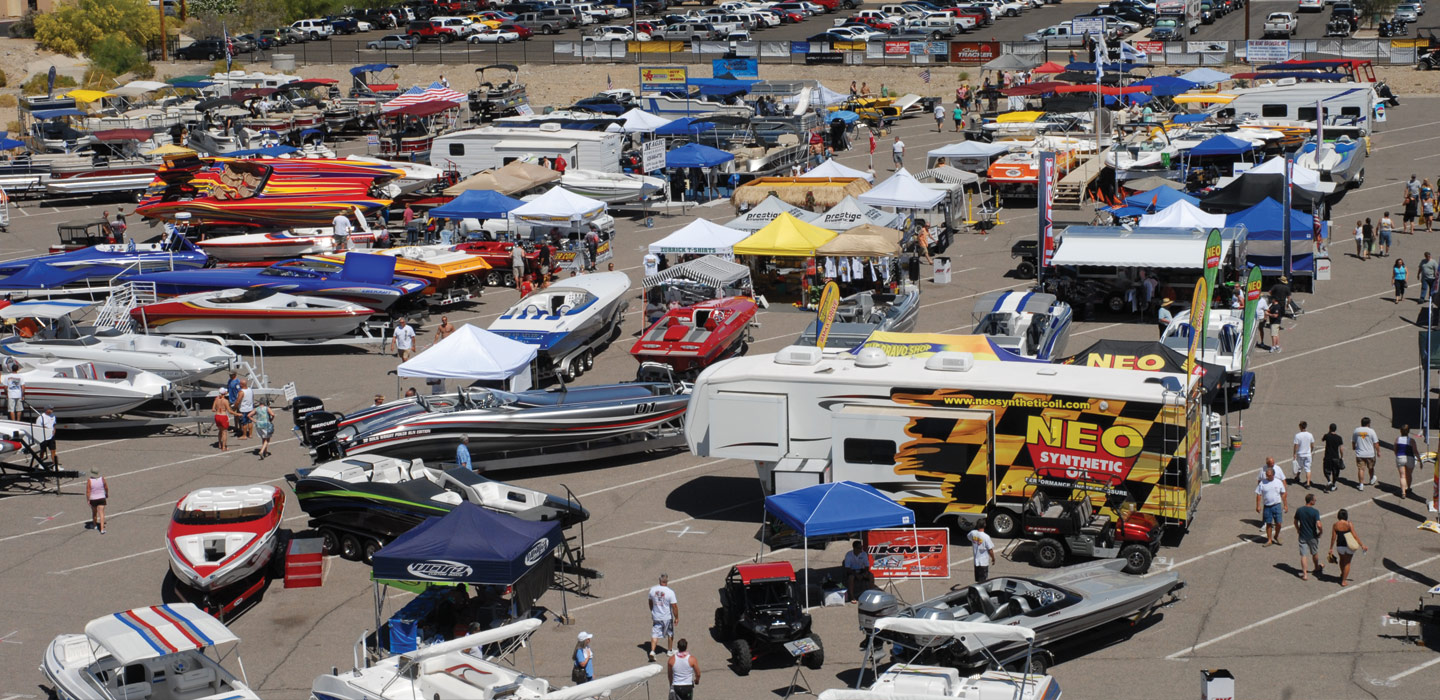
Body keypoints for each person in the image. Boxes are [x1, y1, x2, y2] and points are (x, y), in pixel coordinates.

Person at [1328, 508, 1368, 587]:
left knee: (1342, 560)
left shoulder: (1335, 525)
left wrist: (1331, 548)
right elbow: (1354, 535)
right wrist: (1362, 545)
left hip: (1340, 546)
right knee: (1347, 562)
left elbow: (1333, 537)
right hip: (1348, 546)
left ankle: (1343, 574)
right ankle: (1343, 581)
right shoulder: (1349, 524)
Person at [647, 573, 678, 661]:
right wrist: (676, 617)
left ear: (659, 580)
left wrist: (652, 610)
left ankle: (652, 651)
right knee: (670, 633)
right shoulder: (670, 592)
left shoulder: (652, 590)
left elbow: (650, 601)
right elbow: (674, 606)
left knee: (655, 633)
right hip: (667, 617)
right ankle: (669, 650)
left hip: (656, 616)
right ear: (667, 581)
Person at [1255, 463, 1288, 547]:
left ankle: (1276, 535)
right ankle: (1269, 540)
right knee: (1268, 523)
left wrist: (1285, 505)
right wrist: (1258, 505)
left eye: (1269, 475)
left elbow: (1283, 493)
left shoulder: (1278, 482)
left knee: (1279, 523)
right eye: (1266, 475)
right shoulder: (1262, 483)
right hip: (1267, 506)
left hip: (1277, 505)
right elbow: (1259, 494)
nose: (1267, 477)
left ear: (1273, 475)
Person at [1294, 493, 1323, 580]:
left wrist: (1298, 529)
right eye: (1314, 500)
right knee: (1314, 552)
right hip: (1312, 536)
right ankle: (1316, 567)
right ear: (1311, 501)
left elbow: (1295, 522)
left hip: (1302, 535)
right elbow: (1319, 524)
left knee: (1303, 555)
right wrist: (1321, 531)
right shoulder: (1315, 512)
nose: (1315, 501)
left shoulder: (1299, 510)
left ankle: (1305, 574)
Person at [1394, 424, 1422, 498]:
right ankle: (1408, 488)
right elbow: (1415, 451)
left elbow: (1395, 449)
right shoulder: (1411, 440)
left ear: (1401, 431)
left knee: (1402, 476)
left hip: (1400, 457)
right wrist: (1420, 460)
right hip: (1409, 458)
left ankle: (1403, 492)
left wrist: (1397, 456)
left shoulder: (1397, 439)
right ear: (1408, 431)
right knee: (1409, 474)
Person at [1353, 417, 1379, 490]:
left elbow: (1353, 441)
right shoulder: (1371, 431)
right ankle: (1371, 479)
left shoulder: (1356, 430)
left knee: (1361, 469)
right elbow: (1376, 443)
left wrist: (1353, 447)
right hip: (1370, 453)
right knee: (1371, 467)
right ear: (1368, 424)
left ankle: (1361, 484)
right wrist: (1378, 451)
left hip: (1360, 453)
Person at [969, 518, 995, 582]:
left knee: (978, 580)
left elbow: (969, 537)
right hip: (983, 562)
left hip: (976, 561)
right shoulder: (986, 537)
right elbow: (990, 550)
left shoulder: (972, 533)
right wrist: (993, 558)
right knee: (983, 581)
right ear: (985, 525)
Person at [1322, 423, 1345, 492]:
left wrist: (1328, 432)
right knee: (1336, 472)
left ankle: (1329, 481)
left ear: (1329, 428)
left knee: (1326, 470)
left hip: (1328, 457)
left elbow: (1322, 439)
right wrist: (1342, 457)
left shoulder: (1327, 436)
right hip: (1336, 457)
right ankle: (1333, 485)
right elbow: (1341, 448)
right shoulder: (1339, 438)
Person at [86, 469, 109, 534]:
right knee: (101, 513)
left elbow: (88, 491)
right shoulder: (102, 479)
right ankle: (102, 529)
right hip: (101, 497)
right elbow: (106, 487)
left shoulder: (89, 481)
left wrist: (88, 499)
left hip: (93, 499)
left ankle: (95, 525)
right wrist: (106, 493)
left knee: (94, 512)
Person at [1294, 421, 1315, 488]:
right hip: (1308, 454)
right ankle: (1308, 483)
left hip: (1300, 454)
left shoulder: (1297, 435)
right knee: (1308, 469)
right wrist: (1310, 451)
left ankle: (1297, 477)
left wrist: (1294, 453)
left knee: (1299, 466)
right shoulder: (1310, 435)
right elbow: (1312, 445)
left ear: (1300, 426)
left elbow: (1296, 446)